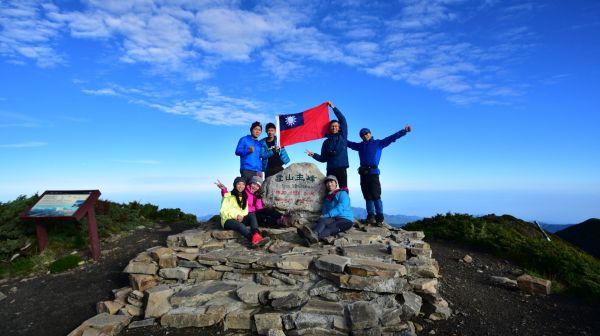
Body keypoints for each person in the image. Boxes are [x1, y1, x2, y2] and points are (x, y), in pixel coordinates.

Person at [347, 125, 411, 225]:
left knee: (376, 196)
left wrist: (404, 131)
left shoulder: (378, 143)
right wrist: (336, 136)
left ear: (370, 133)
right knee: (367, 196)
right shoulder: (360, 146)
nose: (364, 135)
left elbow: (392, 138)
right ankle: (370, 217)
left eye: (366, 133)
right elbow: (348, 143)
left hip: (373, 173)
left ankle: (379, 218)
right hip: (363, 174)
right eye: (362, 135)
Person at [306, 101, 349, 188]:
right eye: (332, 126)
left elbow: (343, 120)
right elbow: (323, 158)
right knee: (329, 190)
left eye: (336, 126)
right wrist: (313, 155)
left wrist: (333, 108)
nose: (334, 127)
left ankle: (344, 202)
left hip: (341, 168)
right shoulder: (326, 142)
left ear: (339, 128)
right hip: (330, 169)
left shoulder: (343, 136)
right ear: (329, 128)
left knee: (343, 190)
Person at [298, 175, 353, 244]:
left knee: (330, 227)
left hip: (346, 220)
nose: (329, 184)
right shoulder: (328, 198)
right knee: (322, 220)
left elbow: (341, 207)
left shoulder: (342, 193)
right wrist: (322, 217)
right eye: (327, 183)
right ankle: (313, 235)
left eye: (331, 181)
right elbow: (325, 211)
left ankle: (314, 238)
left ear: (336, 183)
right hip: (334, 218)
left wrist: (328, 215)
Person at [216, 176, 288, 227]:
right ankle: (278, 222)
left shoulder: (256, 194)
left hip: (254, 211)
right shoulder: (243, 191)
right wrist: (223, 189)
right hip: (246, 214)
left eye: (257, 186)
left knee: (266, 210)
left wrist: (258, 198)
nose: (255, 187)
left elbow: (259, 208)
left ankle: (282, 217)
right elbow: (230, 196)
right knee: (262, 218)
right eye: (254, 184)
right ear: (250, 183)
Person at [219, 177, 270, 247]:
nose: (241, 186)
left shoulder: (244, 196)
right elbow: (223, 211)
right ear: (235, 185)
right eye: (239, 184)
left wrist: (242, 215)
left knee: (251, 215)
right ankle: (253, 239)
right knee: (241, 226)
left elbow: (245, 210)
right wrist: (236, 215)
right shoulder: (227, 196)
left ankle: (256, 234)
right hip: (227, 220)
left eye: (243, 184)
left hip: (239, 218)